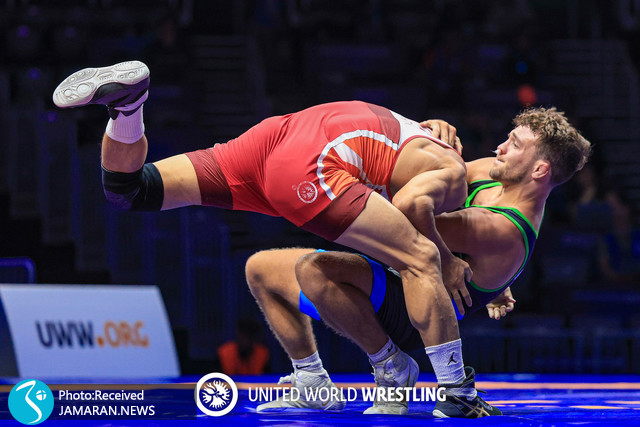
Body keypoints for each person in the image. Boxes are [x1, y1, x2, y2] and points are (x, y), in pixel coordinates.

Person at [53, 61, 474, 400]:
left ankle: (128, 107)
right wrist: (448, 260)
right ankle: (456, 391)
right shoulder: (455, 175)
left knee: (131, 190)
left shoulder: (422, 134)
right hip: (309, 162)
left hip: (274, 137)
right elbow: (413, 206)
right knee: (422, 257)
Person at [246, 107, 591, 417]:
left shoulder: (504, 229)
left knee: (315, 270)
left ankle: (391, 364)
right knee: (260, 269)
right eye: (508, 138)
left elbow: (408, 210)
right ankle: (311, 381)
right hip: (394, 277)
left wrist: (447, 260)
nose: (500, 147)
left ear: (540, 169)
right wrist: (430, 141)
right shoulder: (493, 175)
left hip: (412, 316)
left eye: (514, 145)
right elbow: (437, 174)